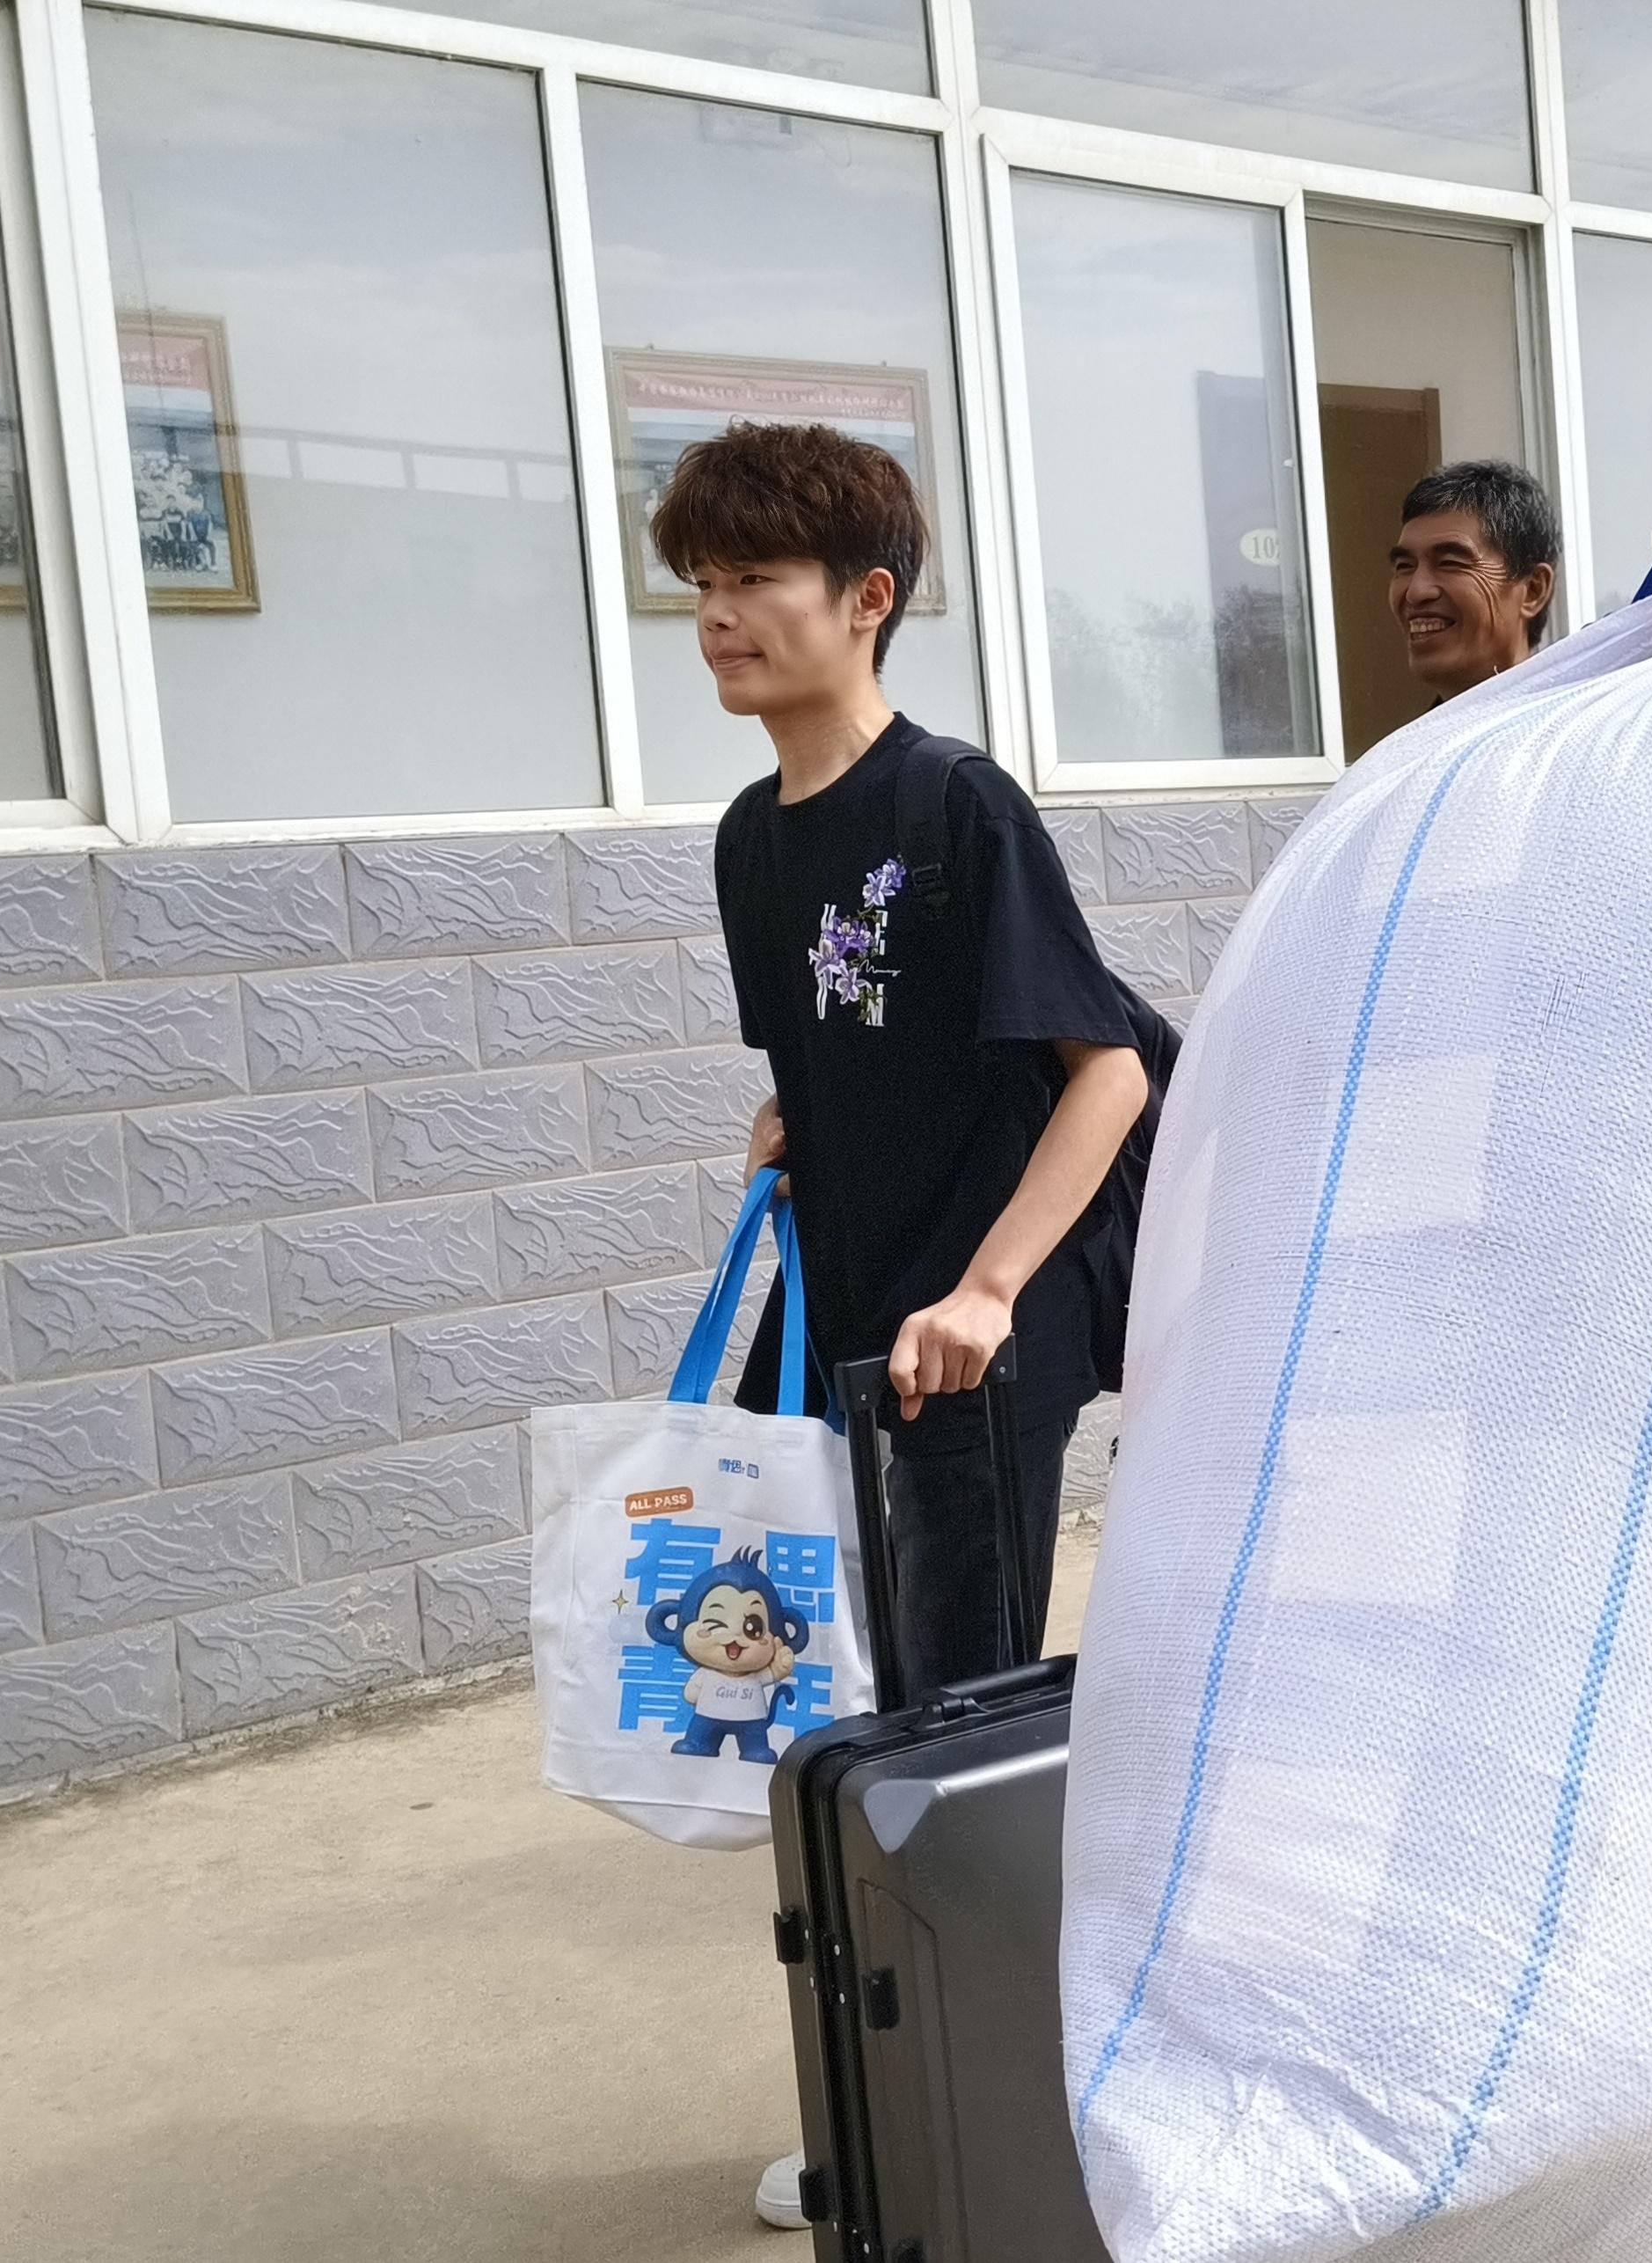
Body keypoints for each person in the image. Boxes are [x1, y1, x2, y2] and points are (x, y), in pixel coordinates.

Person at [648, 421, 1146, 2235]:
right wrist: (788, 1126)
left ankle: (1029, 2130)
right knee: (841, 1726)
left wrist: (990, 1289)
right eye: (700, 583)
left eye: (755, 580)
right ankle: (889, 2120)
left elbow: (1104, 1071)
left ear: (866, 599)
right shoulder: (749, 839)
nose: (719, 615)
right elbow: (833, 1050)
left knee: (961, 1745)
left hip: (970, 1344)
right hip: (844, 1329)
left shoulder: (955, 807)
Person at [1385, 458, 1558, 702]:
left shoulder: (1583, 722)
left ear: (1533, 590)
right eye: (1404, 566)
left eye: (1450, 562)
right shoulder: (1410, 732)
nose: (1416, 591)